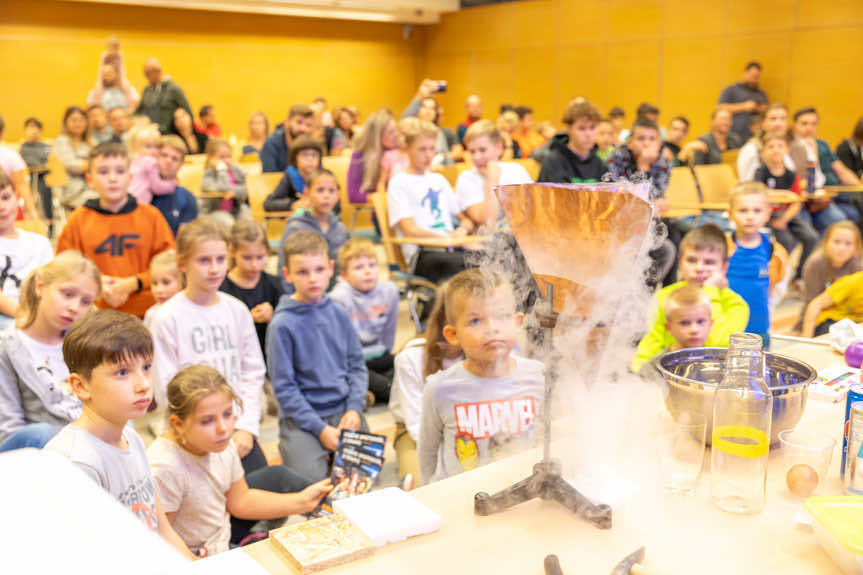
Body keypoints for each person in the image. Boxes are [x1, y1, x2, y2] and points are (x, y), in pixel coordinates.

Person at [45, 310, 196, 559]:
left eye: (146, 367)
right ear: (80, 386)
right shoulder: (76, 462)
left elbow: (163, 530)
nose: (143, 384)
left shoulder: (131, 436)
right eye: (123, 373)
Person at [148, 365, 331, 554]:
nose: (223, 428)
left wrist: (303, 501)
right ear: (178, 424)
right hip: (193, 558)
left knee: (282, 478)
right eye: (207, 421)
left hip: (220, 541)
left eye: (227, 414)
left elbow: (240, 500)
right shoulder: (165, 467)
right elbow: (160, 538)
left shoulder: (222, 443)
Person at [150, 218, 266, 474]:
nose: (214, 269)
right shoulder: (167, 318)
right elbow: (165, 386)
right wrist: (202, 432)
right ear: (182, 264)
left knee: (264, 497)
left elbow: (253, 372)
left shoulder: (236, 310)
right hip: (190, 434)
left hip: (235, 427)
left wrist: (246, 427)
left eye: (221, 259)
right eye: (204, 261)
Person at [418, 269, 544, 483]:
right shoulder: (440, 388)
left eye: (502, 316)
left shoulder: (539, 376)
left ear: (518, 322)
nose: (492, 329)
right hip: (464, 500)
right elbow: (427, 455)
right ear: (453, 334)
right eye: (475, 321)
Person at [267, 230, 369, 481]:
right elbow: (284, 389)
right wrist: (320, 429)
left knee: (362, 478)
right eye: (302, 272)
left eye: (319, 269)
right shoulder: (282, 324)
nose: (313, 278)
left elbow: (357, 366)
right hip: (302, 417)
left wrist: (354, 409)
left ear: (331, 269)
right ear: (287, 274)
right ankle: (299, 448)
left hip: (344, 409)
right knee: (309, 484)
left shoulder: (338, 311)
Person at [56, 142, 175, 319]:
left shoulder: (151, 217)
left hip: (147, 313)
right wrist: (97, 283)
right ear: (90, 180)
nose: (112, 178)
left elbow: (171, 268)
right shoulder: (78, 219)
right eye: (103, 172)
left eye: (120, 171)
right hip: (94, 313)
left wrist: (134, 283)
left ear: (130, 178)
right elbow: (63, 268)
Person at [0, 252, 100, 452]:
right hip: (35, 450)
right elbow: (9, 427)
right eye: (67, 294)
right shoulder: (7, 347)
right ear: (40, 288)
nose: (74, 307)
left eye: (85, 302)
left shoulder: (86, 342)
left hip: (84, 439)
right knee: (42, 433)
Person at [632, 224, 748, 372]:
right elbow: (653, 340)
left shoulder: (736, 304)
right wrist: (637, 369)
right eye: (692, 260)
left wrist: (711, 292)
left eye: (709, 262)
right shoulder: (665, 296)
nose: (699, 268)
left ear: (724, 267)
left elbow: (717, 342)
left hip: (714, 374)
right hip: (672, 372)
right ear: (680, 262)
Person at [389, 288, 462, 485]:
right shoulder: (411, 357)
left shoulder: (482, 351)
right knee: (428, 488)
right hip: (417, 435)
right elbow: (416, 425)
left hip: (466, 430)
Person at [387, 119, 474, 284]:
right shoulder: (398, 182)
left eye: (432, 149)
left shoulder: (438, 180)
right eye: (422, 149)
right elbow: (410, 229)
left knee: (491, 259)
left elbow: (466, 219)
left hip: (450, 247)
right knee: (464, 266)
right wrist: (447, 239)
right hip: (422, 252)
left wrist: (462, 230)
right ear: (407, 149)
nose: (428, 155)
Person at [330, 238, 399, 405]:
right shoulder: (338, 298)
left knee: (410, 371)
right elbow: (338, 345)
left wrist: (386, 351)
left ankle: (362, 391)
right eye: (359, 267)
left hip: (380, 354)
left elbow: (389, 330)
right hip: (354, 362)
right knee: (390, 388)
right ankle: (360, 392)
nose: (367, 271)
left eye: (372, 265)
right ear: (344, 275)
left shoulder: (389, 290)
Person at [607, 118, 676, 286]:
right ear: (629, 143)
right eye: (641, 138)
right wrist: (642, 167)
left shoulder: (663, 162)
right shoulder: (616, 158)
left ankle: (667, 291)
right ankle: (642, 292)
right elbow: (617, 196)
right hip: (619, 222)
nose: (646, 144)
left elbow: (657, 194)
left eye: (652, 139)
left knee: (675, 232)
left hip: (649, 218)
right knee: (665, 244)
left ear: (660, 143)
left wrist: (657, 202)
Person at [726, 183, 789, 346]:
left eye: (757, 211)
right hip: (727, 330)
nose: (750, 216)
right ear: (730, 214)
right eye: (743, 210)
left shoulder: (774, 251)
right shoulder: (722, 248)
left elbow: (779, 288)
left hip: (760, 330)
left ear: (768, 214)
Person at [755, 131, 817, 279]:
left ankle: (799, 276)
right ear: (763, 152)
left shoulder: (791, 175)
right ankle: (780, 276)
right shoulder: (761, 173)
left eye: (780, 146)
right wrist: (786, 194)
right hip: (768, 215)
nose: (776, 149)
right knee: (786, 241)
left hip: (787, 215)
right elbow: (760, 193)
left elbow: (797, 202)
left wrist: (784, 220)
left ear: (787, 150)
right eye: (771, 146)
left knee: (811, 237)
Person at [220, 221, 283, 360]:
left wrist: (274, 318)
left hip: (269, 359)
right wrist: (247, 318)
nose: (254, 265)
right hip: (235, 359)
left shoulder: (275, 285)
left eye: (260, 257)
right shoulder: (221, 289)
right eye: (247, 258)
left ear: (267, 252)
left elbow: (288, 327)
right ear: (232, 252)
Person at [277, 168, 348, 289]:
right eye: (320, 190)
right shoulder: (295, 227)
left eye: (331, 191)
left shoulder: (340, 228)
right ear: (307, 193)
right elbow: (283, 268)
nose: (326, 196)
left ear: (338, 195)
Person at [791, 107, 862, 228]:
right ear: (794, 125)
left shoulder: (822, 144)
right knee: (839, 218)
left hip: (836, 193)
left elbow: (842, 171)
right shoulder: (792, 146)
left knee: (855, 212)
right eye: (804, 123)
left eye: (813, 124)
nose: (809, 128)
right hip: (814, 196)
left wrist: (859, 187)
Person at [0, 171, 53, 328]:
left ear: (17, 198)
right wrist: (29, 317)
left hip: (39, 314)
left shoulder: (40, 243)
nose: (2, 207)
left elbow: (51, 285)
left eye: (6, 197)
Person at [457, 119, 532, 229]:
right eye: (472, 151)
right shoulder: (466, 178)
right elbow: (487, 222)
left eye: (482, 150)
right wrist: (492, 180)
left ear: (499, 148)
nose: (477, 157)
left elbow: (533, 211)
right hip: (490, 241)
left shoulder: (516, 170)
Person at [801, 221, 862, 320]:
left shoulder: (858, 266)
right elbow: (810, 302)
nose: (841, 248)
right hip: (821, 316)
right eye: (836, 242)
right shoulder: (814, 264)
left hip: (849, 314)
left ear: (856, 248)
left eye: (848, 244)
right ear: (825, 243)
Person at [538, 101, 607, 184]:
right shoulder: (553, 161)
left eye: (592, 128)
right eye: (581, 128)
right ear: (569, 129)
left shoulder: (599, 163)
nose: (588, 134)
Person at [346, 109, 401, 205]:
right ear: (377, 135)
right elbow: (353, 195)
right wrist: (383, 198)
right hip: (378, 209)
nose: (396, 135)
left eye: (396, 130)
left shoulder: (401, 151)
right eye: (391, 132)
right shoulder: (360, 155)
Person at [151, 135, 199, 236]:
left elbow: (184, 241)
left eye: (175, 159)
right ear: (155, 157)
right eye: (164, 155)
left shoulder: (187, 199)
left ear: (181, 164)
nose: (168, 161)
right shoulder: (139, 191)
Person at [263, 136, 324, 213]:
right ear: (295, 159)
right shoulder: (290, 175)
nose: (310, 159)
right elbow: (269, 204)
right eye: (304, 155)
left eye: (314, 155)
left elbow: (336, 204)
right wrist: (293, 204)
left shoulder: (324, 176)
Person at [737, 103, 793, 182]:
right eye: (773, 119)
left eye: (783, 119)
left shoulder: (786, 147)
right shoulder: (751, 149)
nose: (778, 123)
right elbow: (748, 185)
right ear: (763, 123)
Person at [135, 58, 193, 134]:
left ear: (158, 71)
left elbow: (188, 112)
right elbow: (139, 111)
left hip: (168, 134)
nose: (146, 76)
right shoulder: (147, 90)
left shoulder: (173, 89)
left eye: (148, 73)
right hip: (150, 132)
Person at [51, 106, 93, 211]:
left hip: (91, 186)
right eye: (74, 120)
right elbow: (69, 164)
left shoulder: (89, 143)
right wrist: (94, 166)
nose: (78, 123)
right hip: (72, 190)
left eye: (81, 120)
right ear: (66, 123)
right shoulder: (62, 140)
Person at [802, 269, 863, 338]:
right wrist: (806, 337)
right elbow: (815, 304)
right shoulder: (853, 282)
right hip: (830, 322)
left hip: (853, 323)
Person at [718, 61, 768, 142]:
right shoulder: (731, 89)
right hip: (733, 135)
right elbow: (720, 108)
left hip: (754, 135)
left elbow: (767, 111)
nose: (754, 80)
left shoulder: (761, 93)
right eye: (752, 76)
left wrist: (759, 109)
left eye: (757, 77)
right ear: (745, 73)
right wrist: (743, 107)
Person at [127, 123, 177, 205]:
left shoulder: (134, 162)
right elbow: (157, 187)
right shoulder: (150, 162)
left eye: (157, 147)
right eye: (148, 147)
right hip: (139, 202)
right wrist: (171, 184)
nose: (154, 151)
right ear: (135, 147)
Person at [200, 139, 248, 224]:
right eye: (221, 157)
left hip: (235, 210)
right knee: (228, 222)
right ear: (211, 158)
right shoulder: (208, 175)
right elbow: (223, 188)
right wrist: (222, 170)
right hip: (214, 211)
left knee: (247, 218)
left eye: (229, 156)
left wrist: (234, 191)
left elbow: (248, 187)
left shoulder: (235, 169)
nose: (226, 160)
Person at [260, 105, 315, 173]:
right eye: (299, 122)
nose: (303, 128)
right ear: (287, 123)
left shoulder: (313, 145)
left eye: (308, 125)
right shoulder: (271, 143)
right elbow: (269, 177)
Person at [18, 117, 52, 221]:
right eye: (30, 128)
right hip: (29, 177)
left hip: (45, 177)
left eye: (35, 128)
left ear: (40, 131)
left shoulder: (46, 146)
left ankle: (49, 220)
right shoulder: (23, 148)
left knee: (48, 189)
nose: (33, 131)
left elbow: (51, 162)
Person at [663, 284, 713, 352]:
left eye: (700, 321)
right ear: (669, 328)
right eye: (684, 323)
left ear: (711, 324)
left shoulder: (723, 360)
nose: (694, 330)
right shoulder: (658, 362)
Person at [143, 250, 180, 329]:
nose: (159, 290)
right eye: (154, 283)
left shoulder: (188, 312)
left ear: (182, 281)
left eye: (166, 283)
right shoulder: (151, 314)